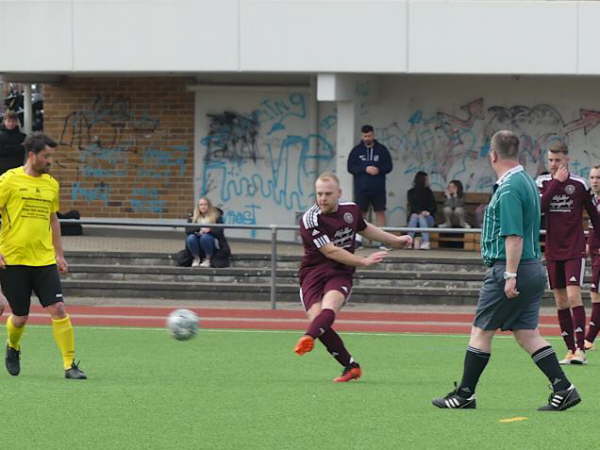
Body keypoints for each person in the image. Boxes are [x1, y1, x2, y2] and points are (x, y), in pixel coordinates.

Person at [432, 130, 580, 412]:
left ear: (493, 155)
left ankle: (464, 394)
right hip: (532, 267)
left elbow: (513, 235)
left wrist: (509, 275)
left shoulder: (511, 186)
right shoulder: (525, 180)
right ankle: (564, 388)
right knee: (527, 333)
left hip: (512, 268)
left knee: (481, 331)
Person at [294, 172, 411, 382]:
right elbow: (330, 251)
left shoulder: (351, 210)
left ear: (339, 193)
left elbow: (366, 229)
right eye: (319, 194)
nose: (322, 198)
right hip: (313, 273)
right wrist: (363, 261)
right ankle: (351, 366)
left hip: (340, 271)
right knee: (318, 320)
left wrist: (395, 240)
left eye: (328, 194)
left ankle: (308, 337)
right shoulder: (310, 220)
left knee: (329, 308)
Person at [0, 132, 86, 379]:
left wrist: (59, 254)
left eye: (51, 156)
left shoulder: (51, 184)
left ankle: (70, 365)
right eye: (46, 156)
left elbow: (53, 220)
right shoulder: (8, 180)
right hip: (13, 260)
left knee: (58, 308)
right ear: (32, 155)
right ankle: (13, 346)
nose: (50, 161)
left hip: (44, 260)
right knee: (20, 317)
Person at [536, 142, 600, 365]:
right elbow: (539, 208)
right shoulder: (543, 183)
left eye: (558, 160)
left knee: (574, 296)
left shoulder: (580, 184)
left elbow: (595, 215)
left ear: (567, 160)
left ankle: (581, 349)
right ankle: (570, 349)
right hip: (553, 251)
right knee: (561, 301)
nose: (554, 164)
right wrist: (556, 183)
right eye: (551, 160)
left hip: (574, 249)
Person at [347, 125, 393, 248]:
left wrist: (379, 170)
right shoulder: (356, 150)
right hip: (361, 188)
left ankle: (384, 240)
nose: (367, 138)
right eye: (365, 136)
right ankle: (358, 240)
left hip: (378, 188)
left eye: (369, 136)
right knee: (360, 213)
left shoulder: (382, 149)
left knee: (380, 212)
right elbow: (350, 167)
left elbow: (389, 166)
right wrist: (364, 168)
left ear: (373, 135)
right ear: (362, 136)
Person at [585, 166, 600, 350]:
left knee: (597, 294)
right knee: (594, 293)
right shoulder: (592, 200)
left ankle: (589, 339)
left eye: (598, 177)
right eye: (592, 177)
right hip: (594, 254)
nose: (595, 180)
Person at [185, 197, 225, 268]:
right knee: (190, 238)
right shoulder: (192, 216)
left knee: (205, 237)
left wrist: (209, 230)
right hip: (196, 238)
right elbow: (187, 230)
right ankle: (196, 258)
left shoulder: (216, 216)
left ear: (209, 206)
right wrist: (199, 229)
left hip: (211, 240)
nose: (203, 207)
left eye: (205, 204)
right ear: (198, 206)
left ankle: (207, 259)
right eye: (201, 205)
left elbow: (220, 231)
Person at [406, 171, 436, 250]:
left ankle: (426, 242)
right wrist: (420, 212)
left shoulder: (429, 192)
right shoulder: (411, 192)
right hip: (415, 218)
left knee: (421, 217)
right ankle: (409, 241)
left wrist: (427, 212)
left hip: (428, 219)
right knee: (415, 216)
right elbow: (413, 206)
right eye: (426, 179)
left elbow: (433, 206)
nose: (428, 181)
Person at [0, 111, 26, 175]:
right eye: (9, 121)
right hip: (2, 169)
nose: (11, 124)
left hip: (17, 169)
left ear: (17, 122)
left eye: (13, 121)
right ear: (4, 122)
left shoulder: (22, 136)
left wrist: (7, 148)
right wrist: (18, 147)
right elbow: (2, 151)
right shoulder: (0, 136)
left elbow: (24, 151)